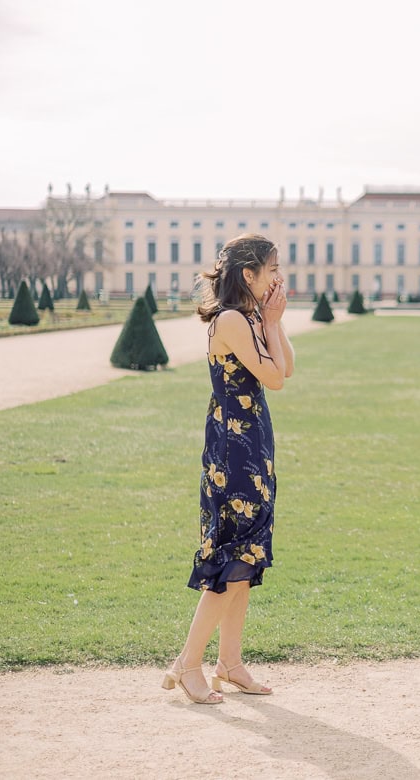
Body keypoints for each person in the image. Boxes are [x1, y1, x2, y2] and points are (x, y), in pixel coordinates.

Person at [162, 234, 295, 704]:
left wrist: (275, 324)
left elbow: (288, 368)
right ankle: (189, 664)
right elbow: (276, 378)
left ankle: (230, 664)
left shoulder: (254, 316)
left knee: (247, 557)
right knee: (232, 559)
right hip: (234, 447)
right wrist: (270, 325)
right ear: (249, 275)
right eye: (273, 268)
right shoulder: (234, 319)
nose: (279, 276)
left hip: (251, 441)